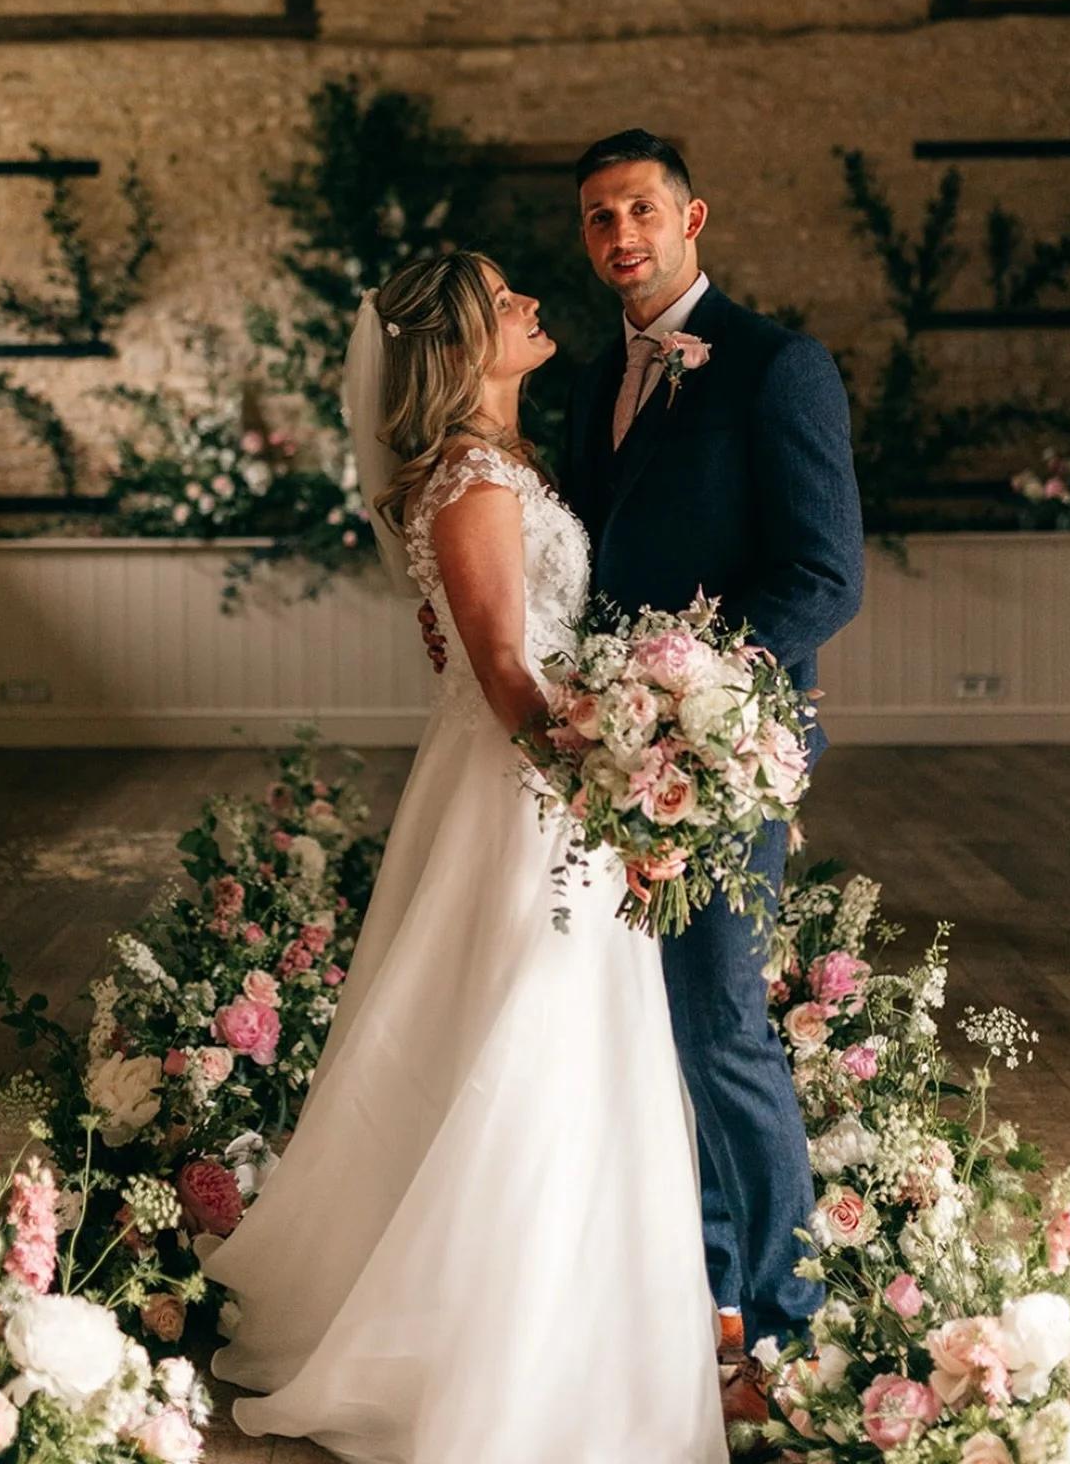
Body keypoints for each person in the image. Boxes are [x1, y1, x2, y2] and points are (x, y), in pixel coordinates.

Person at [201, 250, 727, 1464]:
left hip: (524, 792)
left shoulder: (504, 469)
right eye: (506, 301)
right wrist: (623, 806)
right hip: (528, 800)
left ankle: (568, 1330)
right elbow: (504, 681)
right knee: (528, 1046)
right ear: (456, 347)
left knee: (528, 1040)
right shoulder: (477, 482)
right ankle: (510, 1351)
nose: (536, 304)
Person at [561, 128, 864, 1421]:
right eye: (595, 218)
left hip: (722, 758)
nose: (618, 234)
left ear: (695, 219)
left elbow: (821, 574)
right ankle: (697, 1289)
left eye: (639, 208)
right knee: (637, 1030)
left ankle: (790, 1323)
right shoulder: (593, 379)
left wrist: (691, 699)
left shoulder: (777, 366)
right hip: (608, 760)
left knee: (722, 1024)